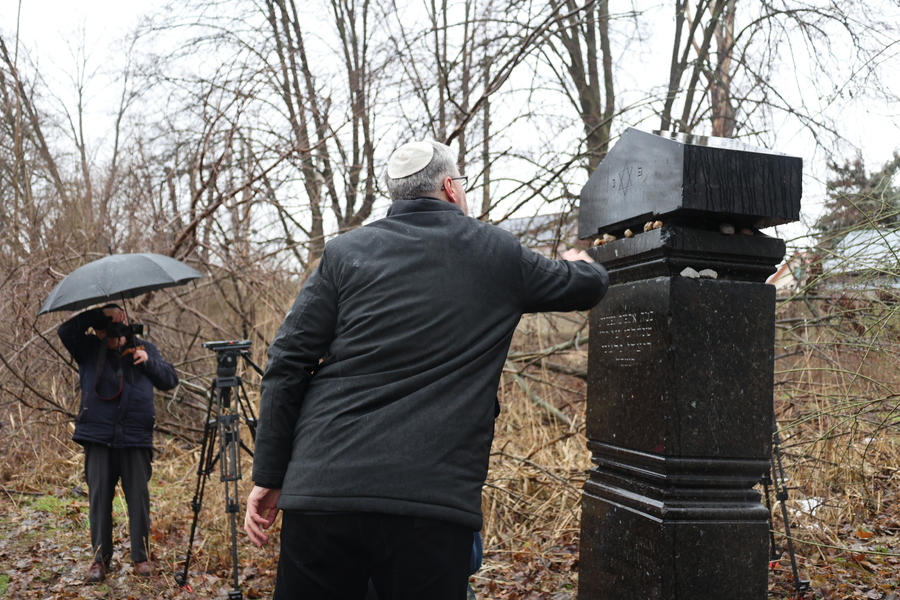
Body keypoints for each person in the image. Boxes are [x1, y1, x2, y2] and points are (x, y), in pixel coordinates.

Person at [244, 140, 609, 600]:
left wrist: (270, 475)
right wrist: (583, 266)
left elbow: (287, 361)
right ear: (451, 188)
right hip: (428, 507)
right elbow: (586, 286)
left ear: (396, 195)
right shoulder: (495, 251)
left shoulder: (345, 253)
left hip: (322, 492)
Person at [58, 304, 178, 583]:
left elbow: (170, 380)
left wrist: (147, 359)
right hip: (98, 437)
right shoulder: (87, 348)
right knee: (99, 500)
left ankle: (142, 557)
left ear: (125, 325)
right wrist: (100, 316)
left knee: (139, 499)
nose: (107, 334)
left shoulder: (144, 347)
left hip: (135, 436)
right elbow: (66, 330)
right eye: (102, 329)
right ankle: (100, 560)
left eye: (112, 328)